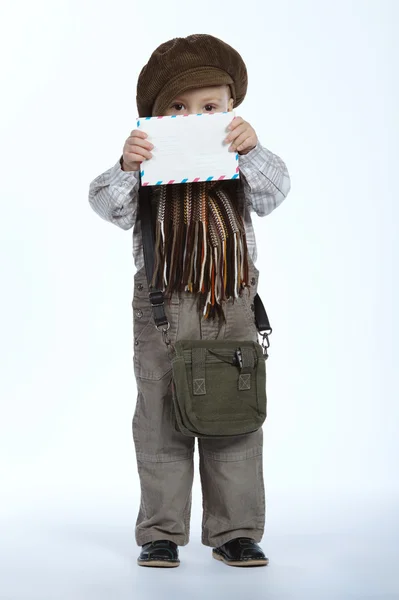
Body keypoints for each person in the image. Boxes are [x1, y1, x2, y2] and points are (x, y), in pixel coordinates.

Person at [88, 34, 291, 568]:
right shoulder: (145, 162)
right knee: (159, 417)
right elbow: (107, 206)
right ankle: (160, 532)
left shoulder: (242, 157)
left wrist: (253, 150)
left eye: (209, 107)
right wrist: (127, 166)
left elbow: (274, 195)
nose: (193, 117)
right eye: (177, 107)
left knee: (233, 415)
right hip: (163, 303)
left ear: (230, 108)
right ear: (156, 115)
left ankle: (236, 532)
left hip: (230, 297)